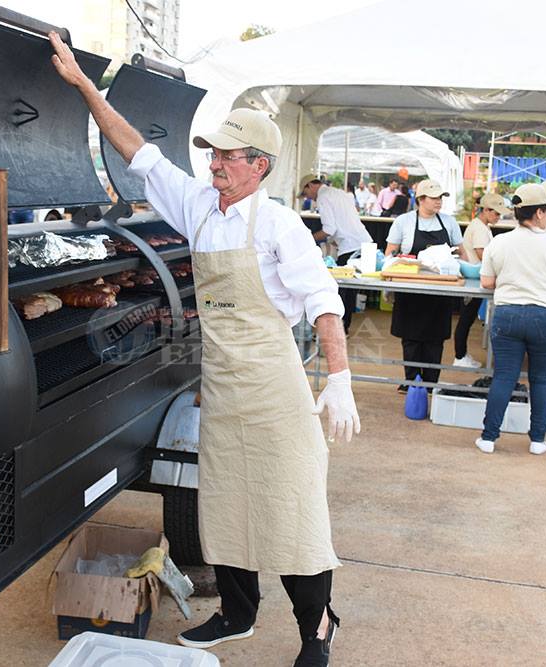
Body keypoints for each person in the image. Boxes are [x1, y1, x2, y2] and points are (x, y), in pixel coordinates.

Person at [48, 34, 359, 667]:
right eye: (212, 154)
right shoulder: (200, 207)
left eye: (225, 157)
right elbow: (138, 153)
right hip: (223, 382)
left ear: (259, 165)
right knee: (225, 503)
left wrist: (340, 377)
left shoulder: (278, 224)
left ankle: (316, 627)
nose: (213, 164)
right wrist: (85, 87)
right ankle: (239, 613)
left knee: (290, 506)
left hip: (273, 387)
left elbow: (325, 300)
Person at [476, 183, 546, 455]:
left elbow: (486, 282)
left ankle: (488, 437)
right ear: (541, 213)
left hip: (508, 315)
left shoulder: (499, 241)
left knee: (504, 376)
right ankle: (537, 440)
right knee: (542, 379)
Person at [384, 179, 465, 392]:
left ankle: (430, 383)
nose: (439, 202)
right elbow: (389, 254)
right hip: (411, 289)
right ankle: (411, 381)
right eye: (434, 198)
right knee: (410, 338)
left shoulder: (449, 222)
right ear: (420, 199)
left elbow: (461, 253)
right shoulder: (403, 222)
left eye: (440, 198)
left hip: (440, 289)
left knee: (435, 338)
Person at [300, 175, 374, 335]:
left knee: (341, 292)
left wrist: (307, 239)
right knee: (350, 292)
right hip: (365, 242)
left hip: (350, 247)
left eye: (305, 194)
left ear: (310, 186)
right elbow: (341, 224)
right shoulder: (340, 193)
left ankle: (338, 331)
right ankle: (344, 329)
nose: (308, 198)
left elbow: (329, 229)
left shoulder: (323, 197)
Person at [453, 193, 511, 368]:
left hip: (475, 278)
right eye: (496, 213)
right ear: (486, 210)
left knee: (467, 319)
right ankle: (460, 356)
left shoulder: (481, 226)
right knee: (466, 319)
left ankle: (461, 354)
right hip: (474, 279)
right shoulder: (479, 228)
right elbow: (483, 255)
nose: (498, 217)